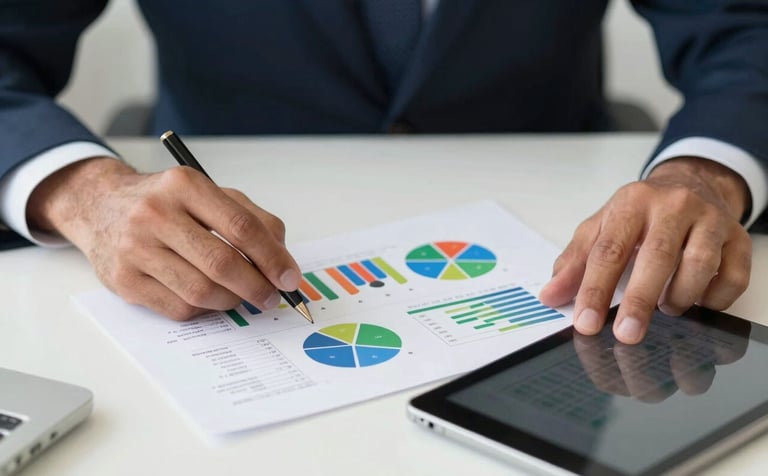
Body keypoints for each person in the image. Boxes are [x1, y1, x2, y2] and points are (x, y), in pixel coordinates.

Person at [0, 1, 766, 346]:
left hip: (551, 200)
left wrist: (706, 171)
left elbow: (745, 30)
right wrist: (81, 191)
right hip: (225, 203)